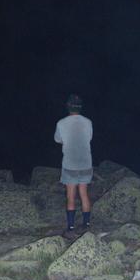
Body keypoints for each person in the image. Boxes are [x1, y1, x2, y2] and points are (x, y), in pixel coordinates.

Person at [54, 94, 93, 239]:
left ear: (68, 106)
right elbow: (89, 137)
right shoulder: (88, 122)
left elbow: (58, 140)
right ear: (80, 107)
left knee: (71, 196)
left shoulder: (61, 123)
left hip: (70, 164)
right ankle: (86, 225)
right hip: (85, 163)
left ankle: (70, 228)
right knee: (84, 193)